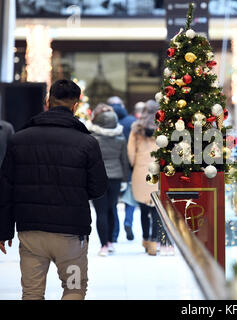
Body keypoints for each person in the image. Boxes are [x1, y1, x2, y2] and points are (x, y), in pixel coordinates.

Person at [0, 79, 108, 300]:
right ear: (76, 105)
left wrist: (3, 231)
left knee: (31, 292)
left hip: (31, 232)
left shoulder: (19, 140)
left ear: (48, 102)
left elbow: (5, 188)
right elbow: (98, 188)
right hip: (71, 234)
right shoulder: (87, 143)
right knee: (74, 288)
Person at [128, 100, 170, 255]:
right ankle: (154, 240)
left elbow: (131, 152)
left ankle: (146, 239)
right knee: (156, 209)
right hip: (157, 170)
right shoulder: (164, 128)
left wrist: (134, 165)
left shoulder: (136, 129)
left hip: (140, 171)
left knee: (144, 209)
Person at [87, 104, 129, 256]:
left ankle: (103, 245)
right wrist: (125, 178)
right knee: (112, 210)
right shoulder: (121, 138)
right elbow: (124, 160)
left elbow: (89, 161)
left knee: (101, 212)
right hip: (116, 177)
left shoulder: (92, 138)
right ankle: (111, 242)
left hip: (98, 178)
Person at [108, 96, 137, 241]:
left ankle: (114, 233)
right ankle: (128, 221)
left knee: (112, 201)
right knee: (129, 198)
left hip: (113, 166)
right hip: (130, 164)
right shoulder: (132, 121)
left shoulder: (109, 123)